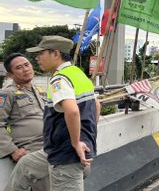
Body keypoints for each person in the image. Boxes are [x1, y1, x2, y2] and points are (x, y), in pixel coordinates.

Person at [5, 36, 101, 191]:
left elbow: (72, 111)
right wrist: (85, 136)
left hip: (65, 152)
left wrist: (76, 142)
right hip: (55, 148)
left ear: (55, 53)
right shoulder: (77, 73)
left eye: (41, 53)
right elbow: (96, 105)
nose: (37, 58)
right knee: (26, 165)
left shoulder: (59, 79)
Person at [0, 53, 48, 191]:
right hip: (31, 148)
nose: (25, 69)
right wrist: (12, 150)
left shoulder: (38, 91)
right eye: (19, 68)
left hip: (49, 143)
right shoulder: (7, 93)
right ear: (10, 75)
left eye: (27, 65)